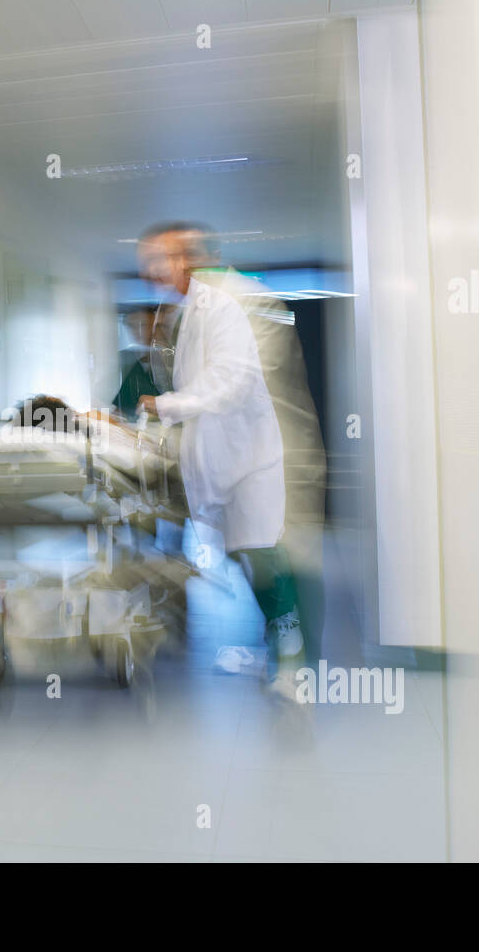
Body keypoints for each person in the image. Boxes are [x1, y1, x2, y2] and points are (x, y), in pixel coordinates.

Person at [135, 223, 305, 702]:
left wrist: (165, 405)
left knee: (266, 558)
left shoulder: (222, 305)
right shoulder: (189, 311)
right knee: (245, 558)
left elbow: (228, 383)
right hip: (222, 461)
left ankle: (292, 667)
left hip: (249, 462)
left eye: (158, 259)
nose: (150, 270)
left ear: (183, 259)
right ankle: (276, 650)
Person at [174, 223, 328, 668]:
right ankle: (290, 650)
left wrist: (179, 411)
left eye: (185, 258)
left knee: (279, 561)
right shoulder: (204, 309)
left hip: (267, 452)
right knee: (266, 560)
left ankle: (294, 662)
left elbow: (230, 386)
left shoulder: (237, 300)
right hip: (248, 453)